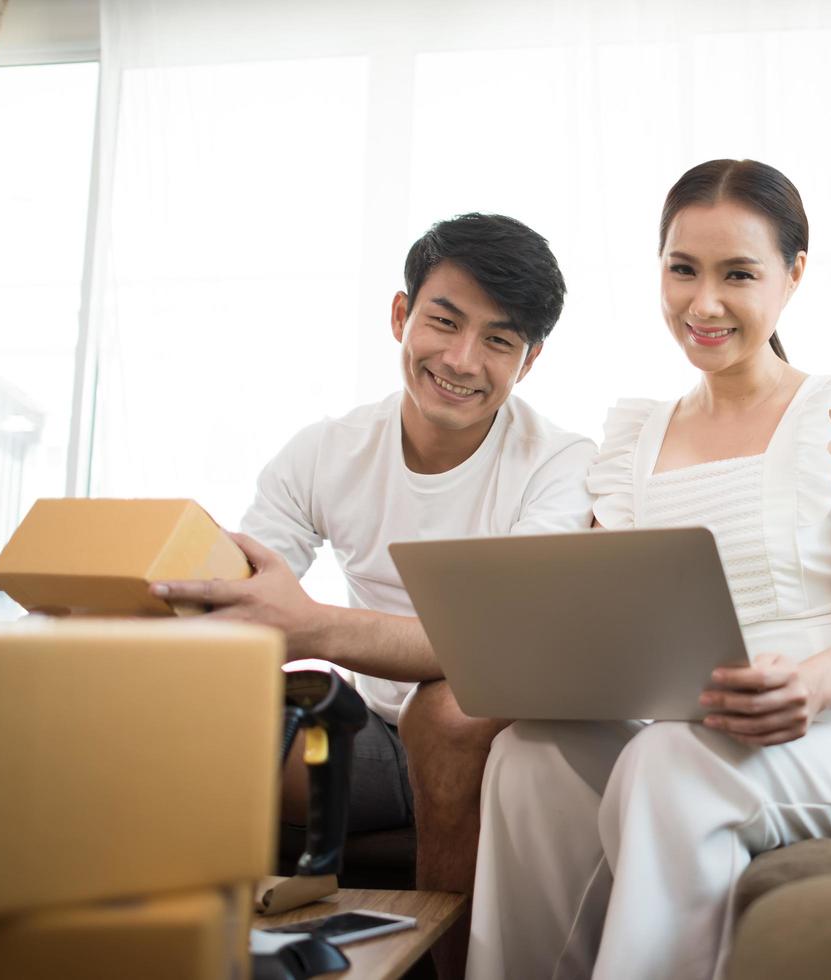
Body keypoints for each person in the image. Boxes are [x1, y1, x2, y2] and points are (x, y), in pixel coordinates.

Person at [466, 159, 831, 980]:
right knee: (528, 758)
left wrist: (812, 684)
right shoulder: (633, 441)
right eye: (682, 270)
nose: (701, 303)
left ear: (793, 276)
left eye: (736, 274)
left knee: (669, 761)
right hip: (692, 732)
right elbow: (612, 622)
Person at [150, 212, 595, 980]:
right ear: (401, 315)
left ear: (529, 361)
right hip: (370, 743)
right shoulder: (326, 449)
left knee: (450, 706)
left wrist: (312, 626)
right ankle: (192, 954)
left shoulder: (561, 464)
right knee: (198, 701)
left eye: (497, 340)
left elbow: (500, 645)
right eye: (444, 322)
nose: (460, 360)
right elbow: (248, 594)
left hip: (489, 738)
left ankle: (449, 967)